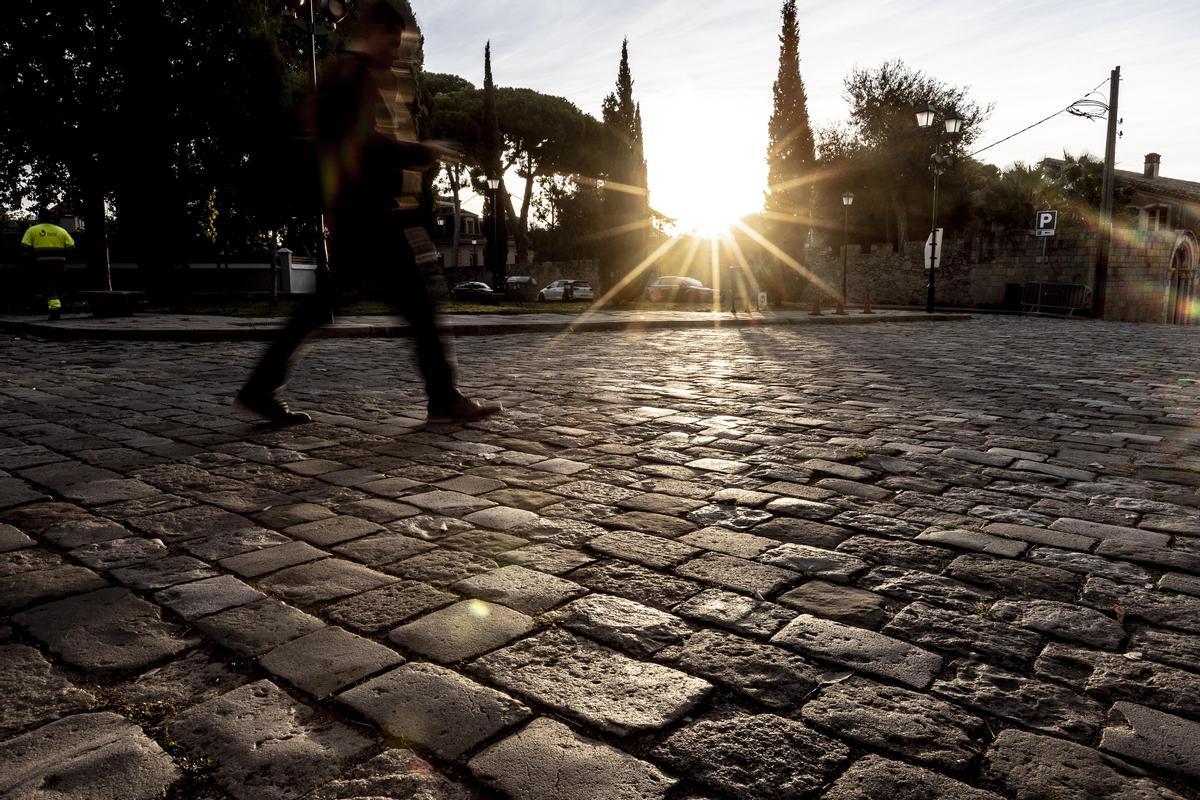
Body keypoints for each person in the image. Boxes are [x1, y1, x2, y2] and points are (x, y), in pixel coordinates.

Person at [237, 0, 501, 425]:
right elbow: (365, 144)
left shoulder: (362, 77)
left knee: (330, 305)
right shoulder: (353, 77)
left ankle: (260, 387)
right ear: (372, 33)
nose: (397, 51)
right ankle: (443, 398)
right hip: (371, 213)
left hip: (364, 212)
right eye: (392, 41)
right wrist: (422, 151)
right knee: (420, 302)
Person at [21, 211, 75, 320]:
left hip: (41, 263)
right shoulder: (61, 230)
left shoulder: (32, 230)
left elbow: (25, 247)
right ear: (52, 219)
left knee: (48, 286)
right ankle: (58, 307)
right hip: (59, 263)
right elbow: (71, 246)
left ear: (39, 219)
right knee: (56, 285)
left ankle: (54, 310)